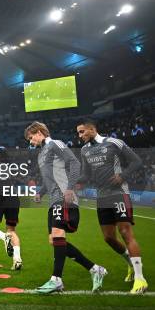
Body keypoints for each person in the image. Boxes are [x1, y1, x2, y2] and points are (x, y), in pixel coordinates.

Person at [25, 122, 107, 294]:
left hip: (64, 197)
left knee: (57, 235)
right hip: (54, 200)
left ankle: (56, 280)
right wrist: (41, 192)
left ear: (39, 133)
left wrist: (70, 188)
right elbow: (50, 179)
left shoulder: (55, 144)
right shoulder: (42, 154)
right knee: (53, 240)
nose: (30, 142)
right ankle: (94, 269)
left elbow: (75, 164)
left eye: (31, 138)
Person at [77, 119, 148, 294]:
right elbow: (86, 175)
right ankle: (131, 263)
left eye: (82, 132)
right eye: (78, 133)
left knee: (125, 232)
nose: (79, 136)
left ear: (92, 129)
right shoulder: (84, 150)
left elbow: (137, 161)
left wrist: (123, 176)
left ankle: (140, 278)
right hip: (102, 198)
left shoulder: (114, 142)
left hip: (119, 194)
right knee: (108, 238)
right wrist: (72, 181)